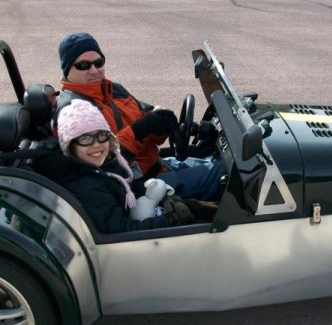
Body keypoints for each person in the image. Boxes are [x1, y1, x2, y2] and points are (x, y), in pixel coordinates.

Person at [54, 32, 224, 201]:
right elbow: (99, 161)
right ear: (67, 68)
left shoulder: (113, 90)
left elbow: (148, 117)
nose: (94, 71)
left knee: (221, 161)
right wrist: (138, 131)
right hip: (135, 187)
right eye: (83, 65)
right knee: (226, 175)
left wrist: (165, 124)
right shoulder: (74, 111)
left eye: (99, 63)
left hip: (158, 166)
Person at [29, 99, 195, 234]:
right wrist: (170, 222)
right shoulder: (84, 185)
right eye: (86, 139)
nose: (97, 145)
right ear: (69, 145)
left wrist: (164, 196)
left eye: (101, 135)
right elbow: (119, 232)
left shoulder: (99, 165)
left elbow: (126, 185)